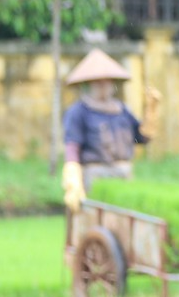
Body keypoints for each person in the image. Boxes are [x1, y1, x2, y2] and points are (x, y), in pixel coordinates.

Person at [59, 49, 153, 211]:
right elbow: (72, 147)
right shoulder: (79, 111)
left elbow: (141, 138)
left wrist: (152, 110)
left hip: (123, 174)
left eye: (106, 82)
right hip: (95, 176)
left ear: (112, 84)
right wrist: (73, 180)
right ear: (89, 84)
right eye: (98, 82)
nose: (103, 86)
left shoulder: (122, 111)